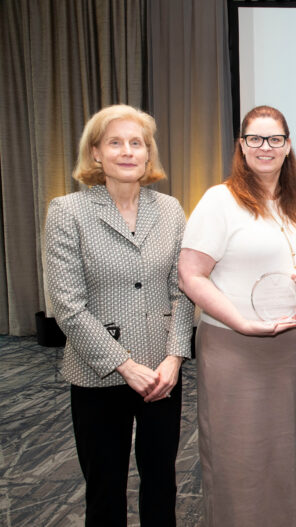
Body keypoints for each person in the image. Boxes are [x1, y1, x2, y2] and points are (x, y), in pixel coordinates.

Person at [45, 104, 194, 526]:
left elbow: (182, 290)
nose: (127, 151)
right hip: (99, 374)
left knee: (162, 482)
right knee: (105, 487)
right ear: (95, 153)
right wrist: (125, 366)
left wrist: (174, 358)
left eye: (137, 143)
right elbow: (67, 307)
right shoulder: (67, 211)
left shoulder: (170, 209)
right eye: (115, 142)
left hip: (162, 374)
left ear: (149, 154)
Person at [178, 106, 296, 526]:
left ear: (288, 145)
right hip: (235, 346)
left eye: (274, 139)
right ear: (241, 145)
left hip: (290, 345)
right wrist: (241, 322)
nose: (265, 147)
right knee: (238, 446)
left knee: (284, 443)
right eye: (255, 139)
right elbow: (191, 274)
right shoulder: (219, 200)